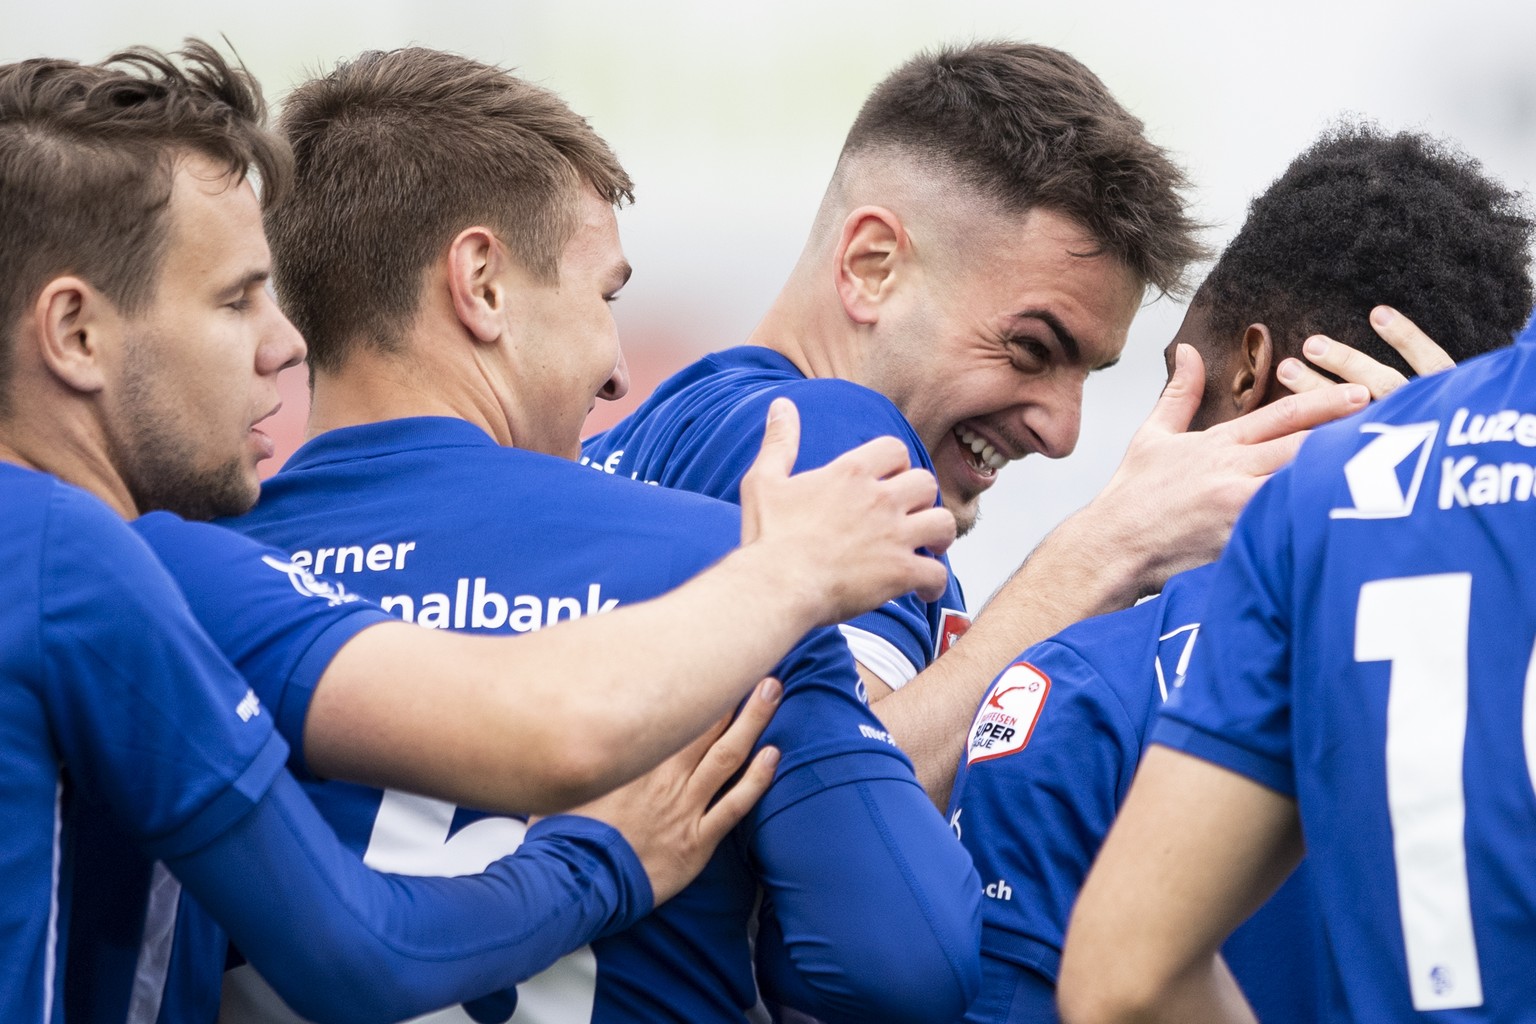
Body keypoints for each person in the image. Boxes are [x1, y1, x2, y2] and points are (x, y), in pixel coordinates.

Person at [0, 42, 948, 1024]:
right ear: (73, 332)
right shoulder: (107, 562)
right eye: (236, 297)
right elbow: (905, 958)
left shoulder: (186, 566)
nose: (282, 344)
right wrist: (787, 575)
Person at [582, 41, 1372, 802]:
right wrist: (1112, 550)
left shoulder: (665, 429)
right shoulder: (831, 438)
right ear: (872, 267)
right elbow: (839, 814)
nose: (1062, 433)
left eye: (1088, 373)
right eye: (1031, 347)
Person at [948, 125, 1536, 1024]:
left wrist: (1104, 548)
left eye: (1168, 371)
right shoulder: (1503, 595)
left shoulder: (1083, 692)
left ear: (1250, 364)